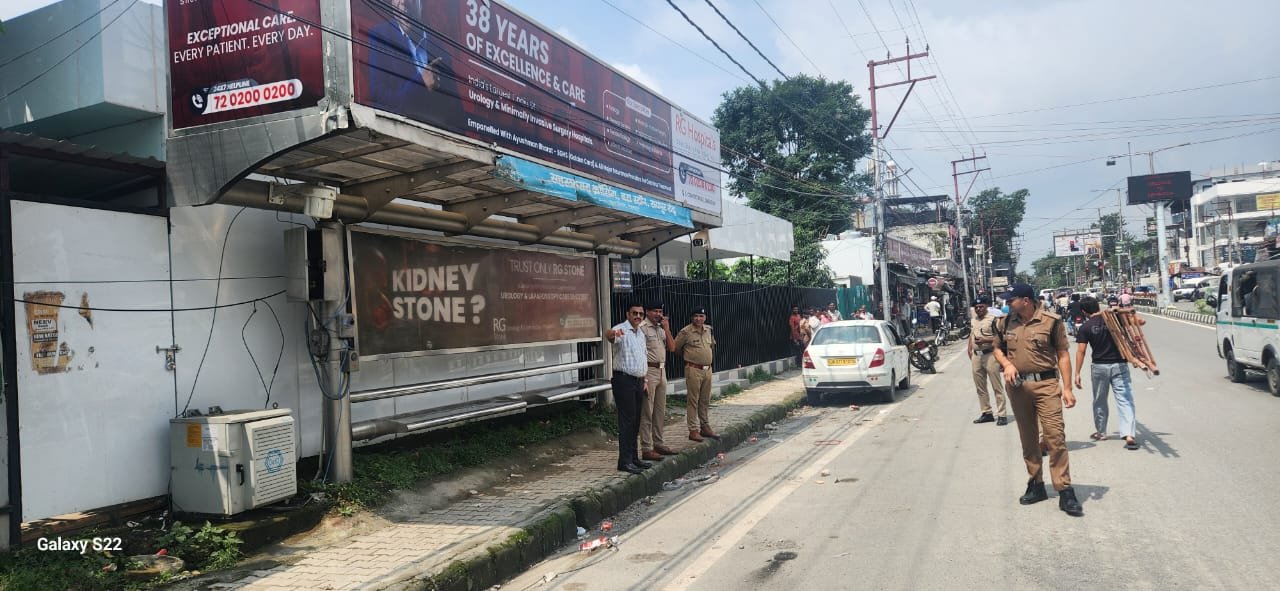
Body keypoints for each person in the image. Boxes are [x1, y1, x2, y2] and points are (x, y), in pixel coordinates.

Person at [991, 283, 1084, 517]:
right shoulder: (1004, 322)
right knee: (1028, 439)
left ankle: (1064, 489)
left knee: (1055, 436)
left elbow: (1063, 354)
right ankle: (1036, 484)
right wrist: (1007, 364)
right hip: (1018, 387)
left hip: (1046, 385)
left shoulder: (1051, 322)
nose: (1007, 303)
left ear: (1025, 300)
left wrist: (1067, 388)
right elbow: (997, 349)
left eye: (1011, 300)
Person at [1074, 299, 1142, 450]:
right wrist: (1125, 313)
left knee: (1099, 400)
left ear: (1084, 312)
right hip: (1120, 365)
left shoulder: (1086, 327)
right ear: (1098, 306)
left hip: (1099, 367)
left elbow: (1081, 351)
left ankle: (1101, 432)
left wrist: (1077, 373)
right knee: (1125, 399)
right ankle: (1129, 435)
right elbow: (1140, 322)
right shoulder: (1115, 319)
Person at [606, 303, 652, 474]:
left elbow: (642, 357)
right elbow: (611, 336)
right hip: (624, 381)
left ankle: (633, 458)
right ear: (628, 314)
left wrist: (645, 379)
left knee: (636, 421)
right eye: (634, 313)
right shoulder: (621, 329)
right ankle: (624, 461)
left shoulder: (640, 333)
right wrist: (611, 334)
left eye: (641, 313)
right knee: (627, 421)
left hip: (638, 381)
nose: (638, 316)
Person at [639, 303, 679, 462]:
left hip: (662, 371)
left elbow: (672, 347)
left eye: (660, 311)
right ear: (647, 312)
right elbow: (639, 353)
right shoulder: (642, 328)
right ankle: (646, 448)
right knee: (647, 411)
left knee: (659, 411)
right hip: (649, 371)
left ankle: (659, 443)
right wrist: (643, 377)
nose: (658, 314)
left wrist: (667, 329)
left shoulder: (661, 328)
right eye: (655, 311)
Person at [675, 308, 719, 442]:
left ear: (705, 317)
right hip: (693, 369)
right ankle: (693, 430)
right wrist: (690, 357)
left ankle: (705, 426)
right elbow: (676, 348)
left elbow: (712, 346)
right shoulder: (686, 332)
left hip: (707, 370)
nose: (698, 319)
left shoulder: (709, 330)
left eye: (701, 316)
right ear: (692, 317)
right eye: (696, 316)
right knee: (693, 400)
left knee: (705, 399)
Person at [968, 295, 1007, 426]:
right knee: (980, 386)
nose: (978, 309)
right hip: (976, 356)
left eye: (981, 306)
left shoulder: (993, 320)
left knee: (996, 386)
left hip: (990, 354)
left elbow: (1001, 338)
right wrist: (970, 348)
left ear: (986, 306)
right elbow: (971, 335)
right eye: (976, 307)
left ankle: (1002, 414)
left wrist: (986, 340)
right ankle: (986, 412)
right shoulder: (973, 320)